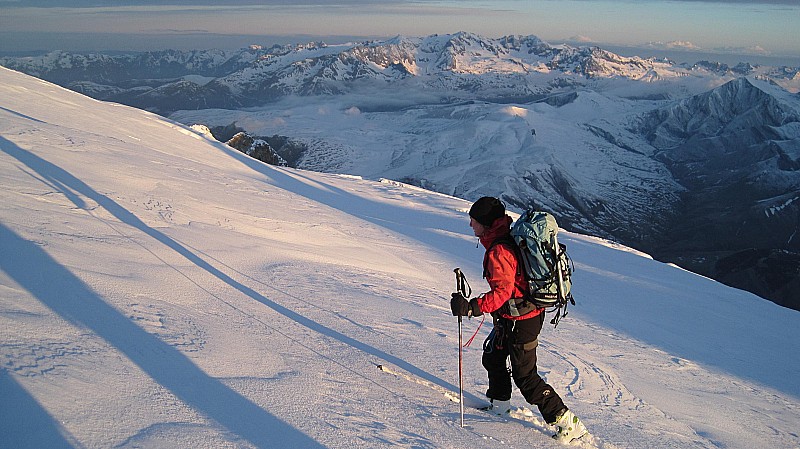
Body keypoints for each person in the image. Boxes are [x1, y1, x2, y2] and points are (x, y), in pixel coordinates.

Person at [450, 196, 587, 444]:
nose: (470, 225)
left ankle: (567, 422)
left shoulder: (499, 250)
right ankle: (500, 405)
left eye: (473, 220)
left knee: (525, 376)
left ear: (485, 223)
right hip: (513, 315)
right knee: (493, 356)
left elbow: (502, 293)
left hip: (523, 318)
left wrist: (472, 307)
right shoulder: (502, 238)